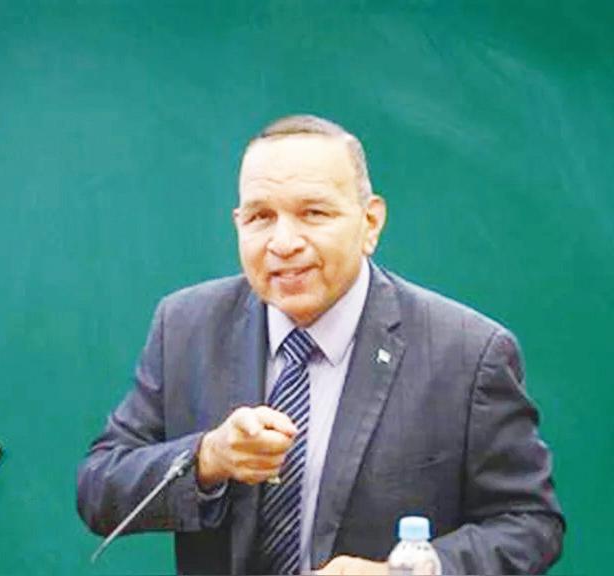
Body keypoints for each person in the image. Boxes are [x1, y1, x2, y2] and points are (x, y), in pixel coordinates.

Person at [77, 115, 564, 575]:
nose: (283, 242)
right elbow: (99, 487)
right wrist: (208, 458)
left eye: (313, 213)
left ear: (370, 223)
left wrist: (405, 571)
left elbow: (531, 525)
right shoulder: (186, 325)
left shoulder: (468, 353)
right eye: (261, 217)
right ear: (238, 223)